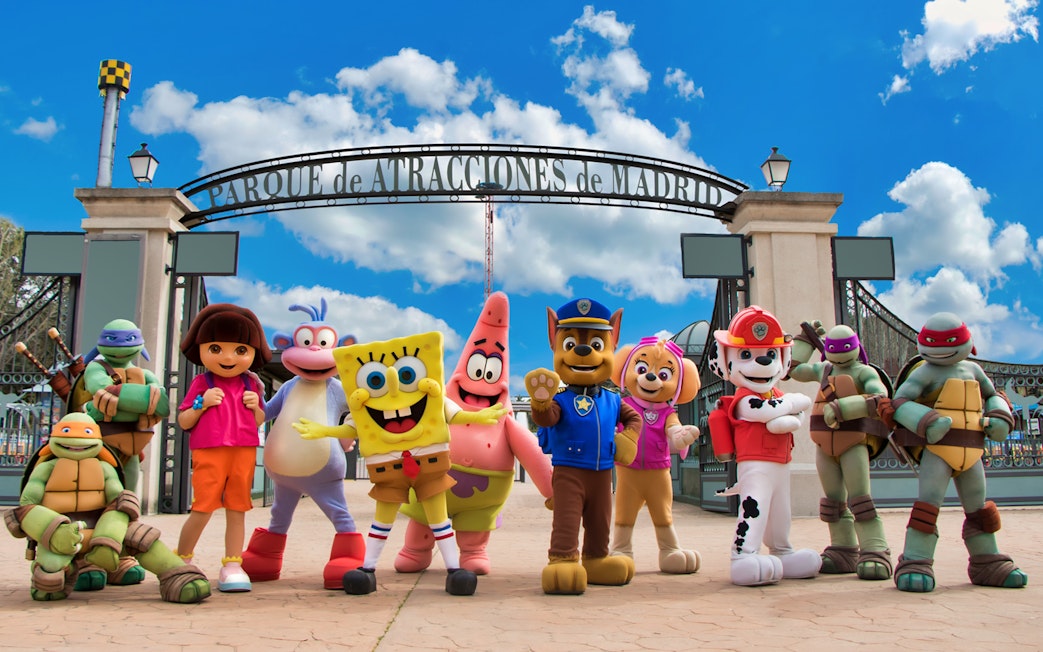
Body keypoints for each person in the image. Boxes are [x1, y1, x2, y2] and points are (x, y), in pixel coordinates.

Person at [174, 303, 272, 593]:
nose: (228, 357)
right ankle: (182, 560)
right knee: (202, 508)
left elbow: (259, 420)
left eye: (240, 350)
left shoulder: (251, 384)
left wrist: (256, 408)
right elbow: (183, 420)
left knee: (237, 508)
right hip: (209, 451)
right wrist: (202, 404)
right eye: (216, 348)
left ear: (253, 353)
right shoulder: (201, 383)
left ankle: (232, 564)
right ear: (202, 349)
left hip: (242, 451)